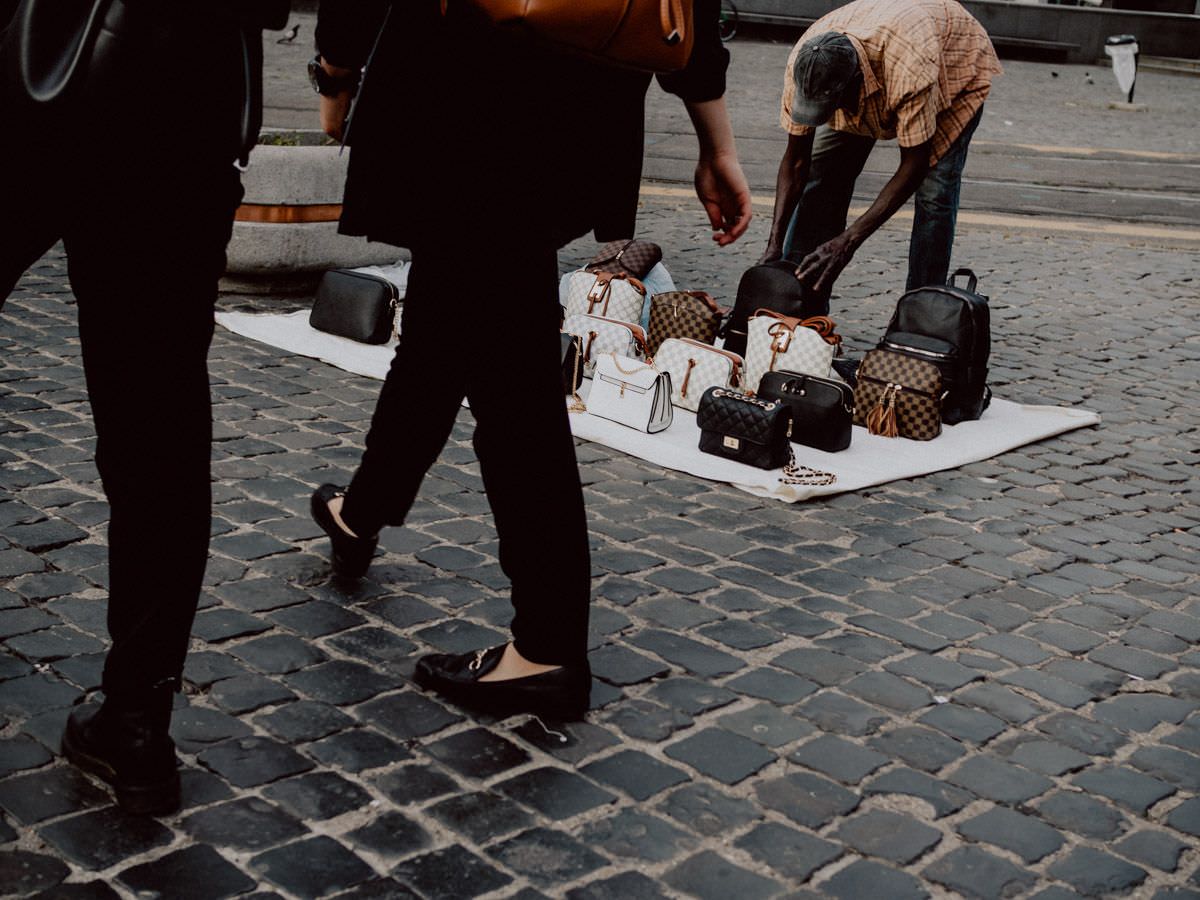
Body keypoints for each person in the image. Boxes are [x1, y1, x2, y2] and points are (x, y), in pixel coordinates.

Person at [310, 0, 752, 720]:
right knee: (446, 327)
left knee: (509, 380)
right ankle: (360, 513)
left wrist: (337, 71)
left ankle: (547, 646)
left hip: (464, 95)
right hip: (582, 95)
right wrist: (716, 138)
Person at [0, 0, 288, 815]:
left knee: (156, 424)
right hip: (179, 96)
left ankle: (135, 717)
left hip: (29, 72)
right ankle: (136, 720)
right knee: (157, 424)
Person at [761, 0, 1001, 313]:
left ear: (853, 87)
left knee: (934, 193)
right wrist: (773, 245)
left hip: (953, 67)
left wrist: (848, 240)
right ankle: (797, 303)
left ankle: (918, 316)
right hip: (887, 45)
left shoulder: (910, 69)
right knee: (822, 176)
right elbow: (796, 162)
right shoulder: (806, 62)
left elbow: (913, 167)